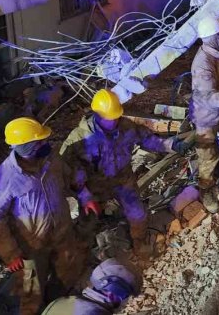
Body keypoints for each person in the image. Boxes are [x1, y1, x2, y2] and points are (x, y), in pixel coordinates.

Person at [62, 89, 180, 258]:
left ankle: (139, 243)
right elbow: (68, 171)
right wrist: (85, 196)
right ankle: (80, 255)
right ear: (98, 116)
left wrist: (171, 145)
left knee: (138, 214)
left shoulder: (125, 126)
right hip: (95, 188)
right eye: (112, 118)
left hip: (123, 181)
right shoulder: (79, 140)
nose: (116, 120)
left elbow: (146, 139)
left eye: (117, 116)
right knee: (87, 223)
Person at [0, 118, 86, 315]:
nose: (44, 144)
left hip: (62, 237)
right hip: (30, 248)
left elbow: (72, 178)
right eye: (38, 141)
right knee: (31, 292)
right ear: (24, 147)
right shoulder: (4, 179)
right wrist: (10, 254)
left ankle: (57, 308)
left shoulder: (52, 160)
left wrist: (86, 196)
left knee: (66, 275)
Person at [189, 15, 219, 213]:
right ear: (212, 37)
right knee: (207, 155)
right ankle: (206, 189)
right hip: (206, 116)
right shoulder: (202, 64)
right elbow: (207, 96)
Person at [42, 259, 140, 315]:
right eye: (126, 296)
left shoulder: (61, 302)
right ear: (113, 293)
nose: (127, 300)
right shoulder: (94, 312)